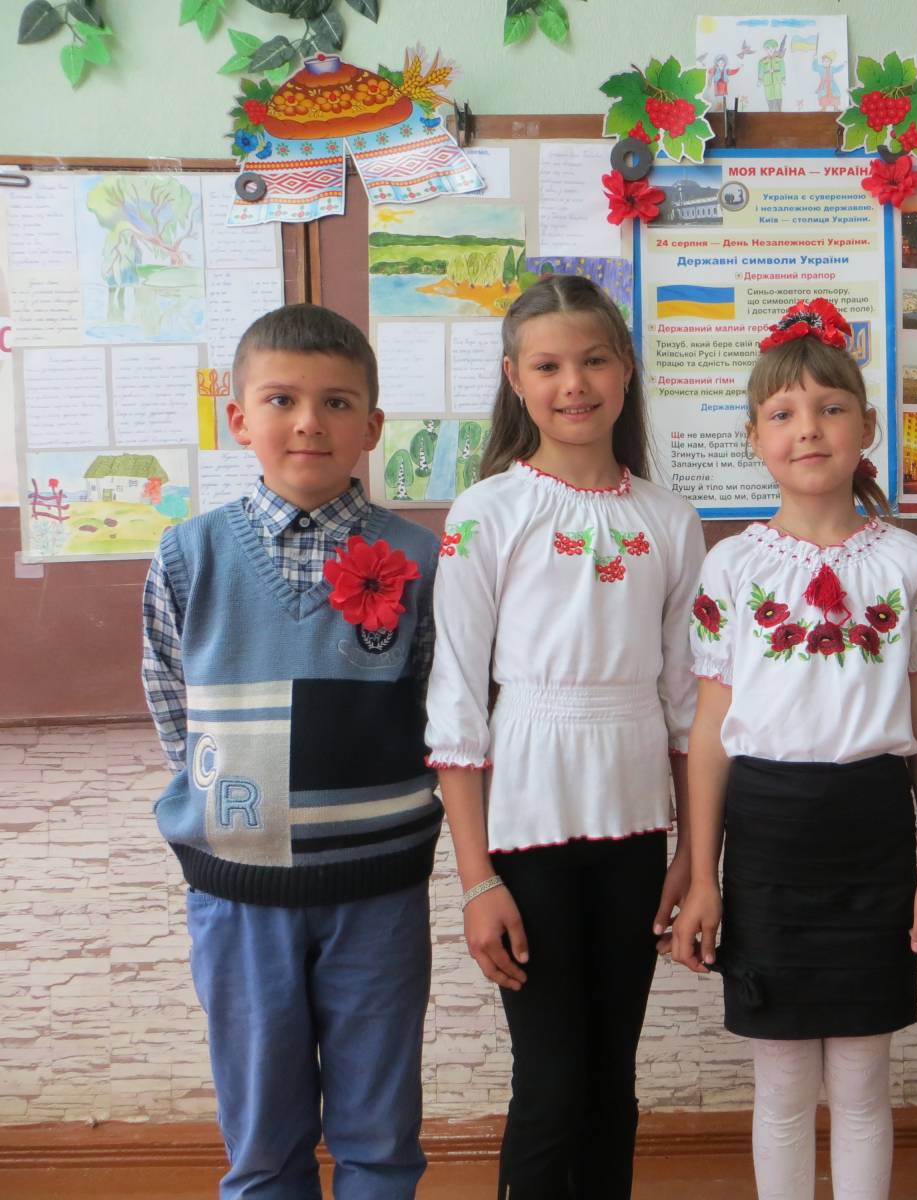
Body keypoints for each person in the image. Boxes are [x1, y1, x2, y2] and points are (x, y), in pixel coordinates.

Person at [140, 303, 441, 1198]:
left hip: (379, 890)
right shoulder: (189, 555)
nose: (310, 421)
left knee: (379, 1134)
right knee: (264, 1142)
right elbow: (172, 704)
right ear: (240, 418)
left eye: (337, 402)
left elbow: (439, 705)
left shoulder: (420, 557)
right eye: (282, 399)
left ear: (372, 427)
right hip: (240, 897)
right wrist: (238, 811)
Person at [425, 275, 705, 1198]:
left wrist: (694, 853)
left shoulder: (669, 521)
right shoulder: (488, 512)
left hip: (636, 824)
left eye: (593, 361)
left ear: (626, 371)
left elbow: (684, 704)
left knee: (610, 1082)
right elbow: (457, 704)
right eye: (547, 366)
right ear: (515, 378)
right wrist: (477, 881)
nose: (573, 383)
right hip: (526, 827)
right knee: (550, 1083)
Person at [672, 298, 917, 1200]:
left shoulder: (909, 563)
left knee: (865, 1082)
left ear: (867, 428)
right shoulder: (732, 566)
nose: (809, 429)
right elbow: (709, 733)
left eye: (831, 409)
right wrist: (704, 874)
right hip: (767, 840)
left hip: (873, 833)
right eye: (784, 413)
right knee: (785, 1083)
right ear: (755, 437)